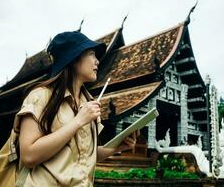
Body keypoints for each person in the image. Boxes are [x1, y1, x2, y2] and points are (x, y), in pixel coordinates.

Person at [14, 31, 139, 186]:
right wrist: (78, 121)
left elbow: (85, 155)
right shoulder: (41, 96)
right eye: (92, 54)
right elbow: (28, 156)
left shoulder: (88, 103)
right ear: (74, 59)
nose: (97, 61)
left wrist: (118, 147)